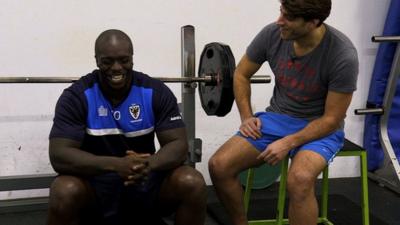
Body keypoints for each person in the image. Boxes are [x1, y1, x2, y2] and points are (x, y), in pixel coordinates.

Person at [208, 0, 358, 224]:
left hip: (319, 128)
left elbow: (331, 119)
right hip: (277, 118)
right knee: (219, 166)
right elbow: (240, 74)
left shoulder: (342, 55)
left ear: (313, 22)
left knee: (299, 180)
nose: (279, 21)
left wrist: (288, 142)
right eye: (281, 12)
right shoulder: (272, 34)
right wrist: (247, 116)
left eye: (288, 18)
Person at [47, 29, 207, 225]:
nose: (116, 68)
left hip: (145, 181)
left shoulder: (155, 91)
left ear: (132, 58)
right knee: (64, 190)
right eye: (108, 61)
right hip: (96, 185)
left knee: (192, 181)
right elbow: (59, 155)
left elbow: (179, 145)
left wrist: (148, 165)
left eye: (124, 60)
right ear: (97, 60)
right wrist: (116, 165)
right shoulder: (77, 96)